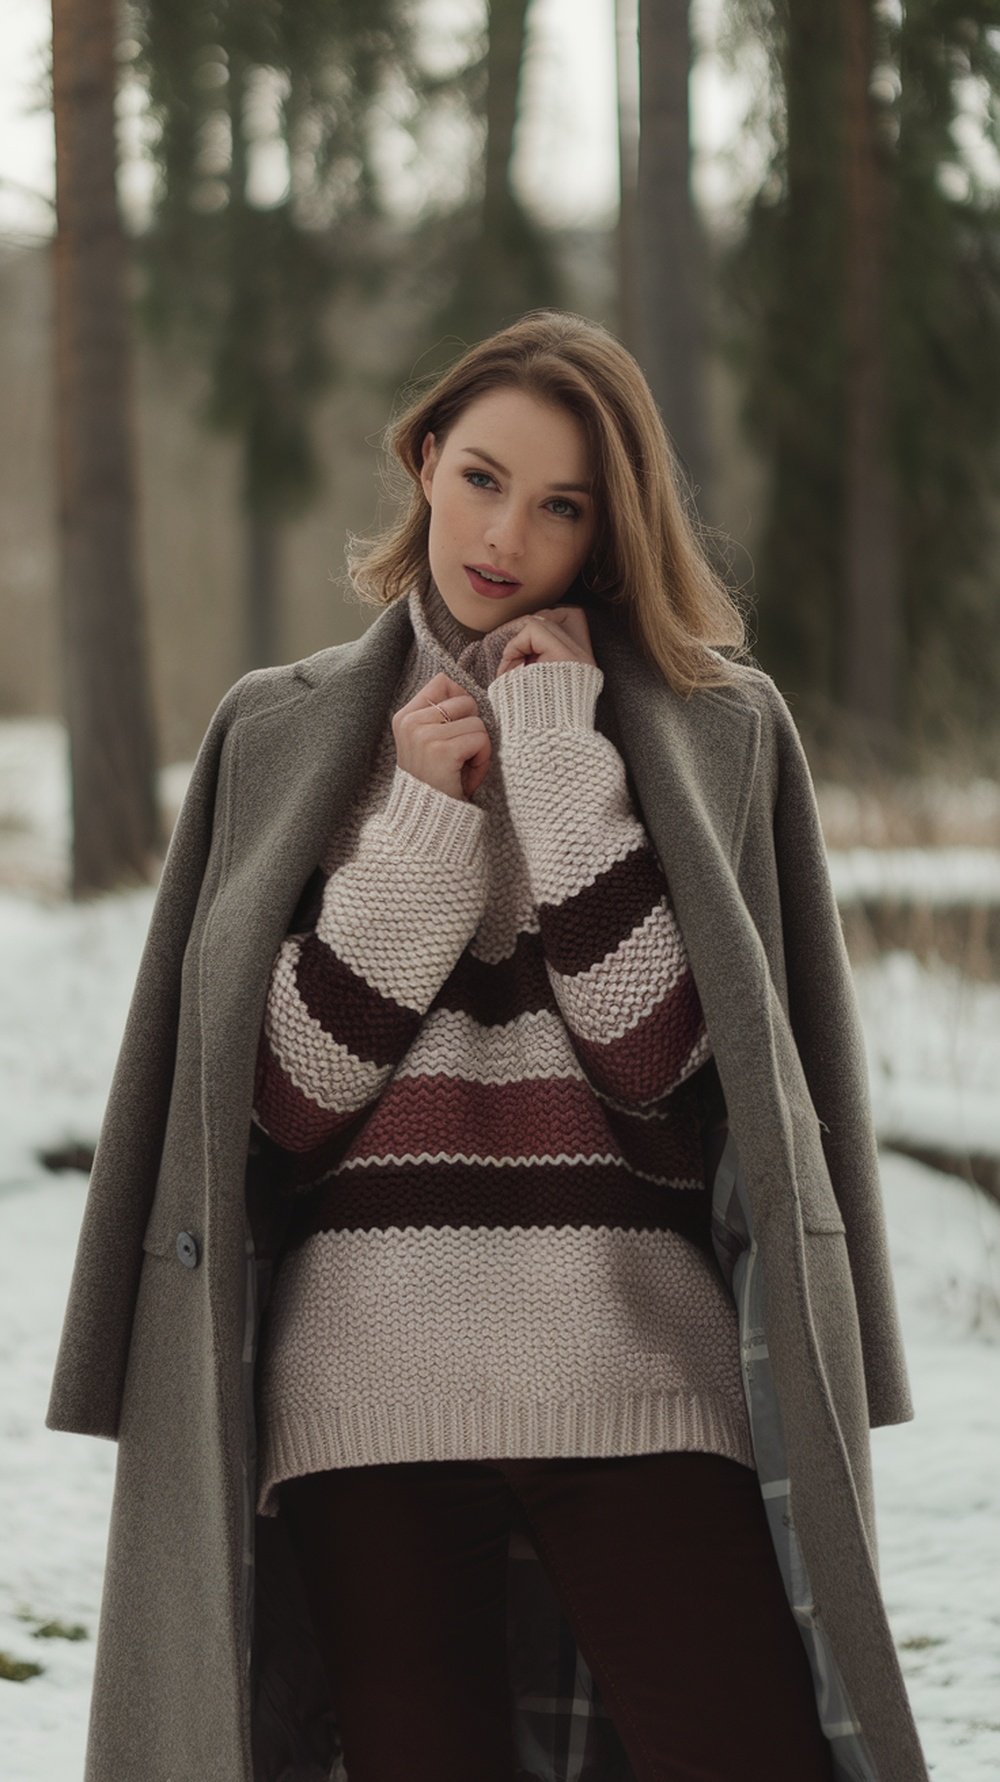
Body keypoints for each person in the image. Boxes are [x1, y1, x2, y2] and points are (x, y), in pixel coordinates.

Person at [45, 310, 929, 1782]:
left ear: (610, 528)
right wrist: (425, 825)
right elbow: (281, 1104)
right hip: (361, 1406)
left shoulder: (715, 731)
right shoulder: (284, 732)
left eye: (562, 503)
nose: (507, 531)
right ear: (423, 463)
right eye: (481, 477)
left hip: (645, 1376)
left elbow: (659, 1065)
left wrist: (563, 762)